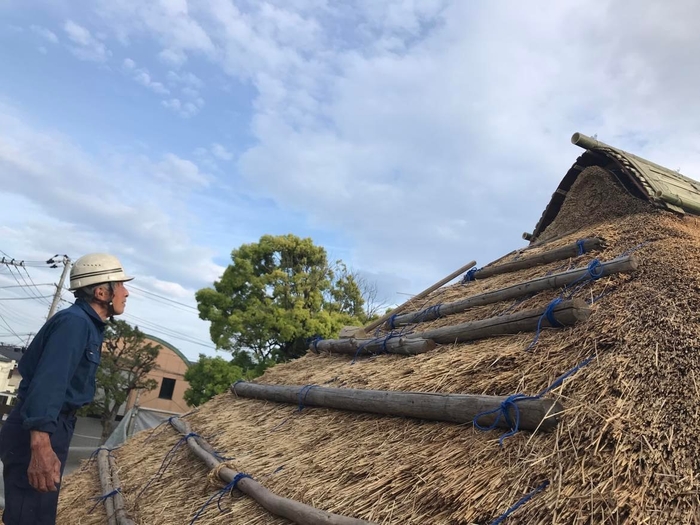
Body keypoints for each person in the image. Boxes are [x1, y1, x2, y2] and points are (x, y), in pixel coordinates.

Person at [0, 253, 133, 525]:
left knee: (36, 514)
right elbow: (49, 384)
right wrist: (40, 445)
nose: (126, 292)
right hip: (39, 429)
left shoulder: (86, 325)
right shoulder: (75, 324)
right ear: (100, 291)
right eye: (120, 285)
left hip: (49, 427)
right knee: (31, 516)